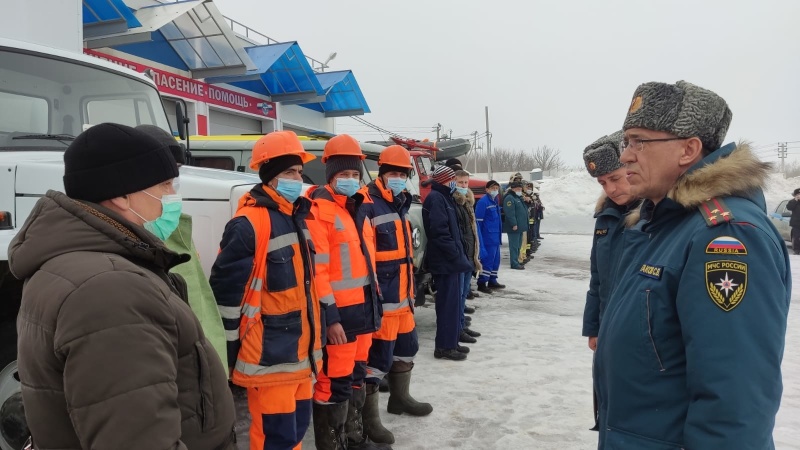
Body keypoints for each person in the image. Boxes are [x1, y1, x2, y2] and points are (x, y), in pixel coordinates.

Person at [9, 123, 236, 449]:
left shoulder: (80, 263)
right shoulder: (111, 289)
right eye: (165, 185)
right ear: (121, 194)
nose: (172, 196)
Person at [596, 81, 790, 449]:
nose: (625, 156)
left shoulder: (725, 235)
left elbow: (735, 398)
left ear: (689, 149)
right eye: (626, 142)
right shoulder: (665, 224)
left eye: (639, 142)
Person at [209, 130, 323, 450]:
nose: (297, 179)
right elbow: (226, 296)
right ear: (270, 176)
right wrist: (227, 356)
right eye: (289, 172)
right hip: (268, 356)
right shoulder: (248, 224)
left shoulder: (297, 216)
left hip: (299, 356)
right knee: (277, 437)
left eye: (299, 172)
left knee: (295, 434)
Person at [305, 134, 387, 450]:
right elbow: (319, 272)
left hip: (364, 313)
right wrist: (331, 318)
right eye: (344, 175)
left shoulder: (360, 209)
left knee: (355, 375)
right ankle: (332, 443)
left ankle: (353, 436)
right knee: (332, 383)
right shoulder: (320, 212)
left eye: (355, 174)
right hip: (340, 317)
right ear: (330, 176)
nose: (351, 180)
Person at [356, 145, 433, 446]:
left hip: (404, 299)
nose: (398, 178)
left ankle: (400, 399)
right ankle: (369, 422)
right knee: (377, 362)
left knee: (407, 350)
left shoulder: (400, 203)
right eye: (393, 173)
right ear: (381, 172)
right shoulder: (367, 204)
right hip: (383, 303)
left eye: (402, 174)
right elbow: (365, 260)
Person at [137, 124, 227, 363]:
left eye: (175, 178)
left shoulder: (175, 227)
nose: (173, 191)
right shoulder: (126, 248)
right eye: (165, 181)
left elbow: (200, 302)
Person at [580, 130, 638, 431]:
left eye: (616, 178)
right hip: (608, 330)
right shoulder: (606, 216)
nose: (611, 188)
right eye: (603, 183)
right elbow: (598, 278)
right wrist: (594, 327)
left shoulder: (655, 215)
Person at [422, 165, 473, 361]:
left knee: (453, 305)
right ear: (445, 180)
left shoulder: (445, 197)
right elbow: (440, 233)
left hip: (451, 262)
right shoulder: (437, 198)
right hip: (446, 262)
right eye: (453, 179)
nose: (456, 183)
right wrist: (455, 255)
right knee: (447, 306)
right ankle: (444, 347)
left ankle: (451, 343)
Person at [452, 170, 483, 344]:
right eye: (460, 183)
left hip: (469, 256)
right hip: (462, 257)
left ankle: (461, 325)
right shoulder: (455, 203)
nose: (464, 186)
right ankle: (458, 328)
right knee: (458, 295)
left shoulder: (467, 203)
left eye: (466, 183)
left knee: (463, 293)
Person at [475, 180, 506, 293]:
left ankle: (492, 280)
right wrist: (480, 239)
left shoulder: (495, 201)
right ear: (487, 189)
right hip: (487, 238)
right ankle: (482, 283)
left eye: (496, 188)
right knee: (487, 261)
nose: (495, 190)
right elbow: (478, 222)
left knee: (495, 261)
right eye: (492, 188)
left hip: (495, 237)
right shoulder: (483, 202)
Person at [502, 181, 528, 270]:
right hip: (514, 227)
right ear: (512, 189)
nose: (519, 190)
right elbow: (510, 213)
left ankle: (516, 261)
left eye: (520, 189)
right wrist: (514, 224)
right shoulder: (509, 198)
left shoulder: (518, 197)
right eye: (518, 189)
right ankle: (514, 263)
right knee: (514, 246)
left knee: (518, 246)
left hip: (520, 226)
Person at [786, 187, 800, 254]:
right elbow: (789, 207)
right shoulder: (792, 201)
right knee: (796, 237)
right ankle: (796, 250)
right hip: (796, 223)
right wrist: (795, 200)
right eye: (797, 194)